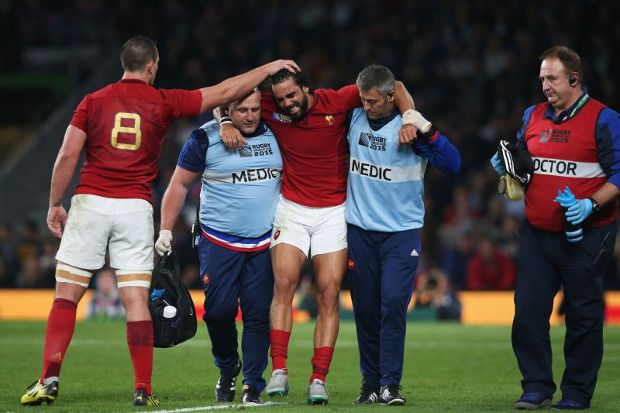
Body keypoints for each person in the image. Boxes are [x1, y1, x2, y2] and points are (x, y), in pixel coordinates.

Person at [20, 34, 298, 407]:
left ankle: (49, 379)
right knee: (136, 300)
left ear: (125, 64)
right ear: (152, 65)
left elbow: (68, 154)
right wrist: (267, 68)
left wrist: (55, 202)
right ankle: (143, 389)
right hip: (134, 207)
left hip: (91, 201)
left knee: (66, 295)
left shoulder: (92, 101)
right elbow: (222, 92)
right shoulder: (162, 100)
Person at [220, 68, 416, 404]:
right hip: (292, 208)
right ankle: (279, 368)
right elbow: (227, 95)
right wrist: (224, 121)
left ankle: (318, 379)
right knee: (284, 282)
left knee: (328, 293)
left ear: (306, 89)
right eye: (281, 99)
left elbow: (395, 85)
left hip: (334, 213)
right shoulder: (269, 106)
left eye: (292, 96)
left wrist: (410, 117)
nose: (287, 104)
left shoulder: (338, 101)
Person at [490, 45, 620, 410]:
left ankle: (577, 393)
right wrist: (508, 170)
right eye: (542, 78)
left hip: (590, 234)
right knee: (529, 311)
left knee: (583, 316)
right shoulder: (532, 115)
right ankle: (536, 387)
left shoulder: (604, 119)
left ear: (574, 79)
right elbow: (522, 161)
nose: (544, 85)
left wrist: (590, 203)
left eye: (552, 78)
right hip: (536, 234)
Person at [155, 90, 281, 405]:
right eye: (242, 110)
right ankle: (228, 367)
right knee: (219, 312)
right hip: (218, 241)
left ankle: (253, 384)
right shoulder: (204, 139)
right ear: (226, 110)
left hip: (265, 243)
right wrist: (165, 231)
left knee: (257, 314)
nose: (251, 116)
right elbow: (179, 185)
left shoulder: (280, 135)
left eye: (255, 109)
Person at [345, 65, 460, 405]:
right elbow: (397, 83)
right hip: (360, 231)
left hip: (401, 233)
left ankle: (390, 384)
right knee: (365, 310)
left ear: (391, 99)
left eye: (372, 101)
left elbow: (453, 164)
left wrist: (421, 124)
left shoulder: (409, 130)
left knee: (393, 305)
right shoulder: (352, 119)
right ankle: (370, 383)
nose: (366, 106)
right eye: (362, 100)